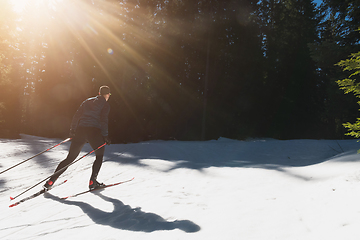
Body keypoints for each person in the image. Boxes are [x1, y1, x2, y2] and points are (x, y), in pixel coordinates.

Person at [44, 86, 111, 190]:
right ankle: (93, 181)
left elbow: (77, 115)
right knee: (99, 156)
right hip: (94, 132)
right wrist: (105, 135)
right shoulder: (105, 105)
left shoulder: (87, 101)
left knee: (70, 158)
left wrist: (73, 130)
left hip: (81, 130)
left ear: (99, 93)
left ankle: (51, 180)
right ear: (107, 95)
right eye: (108, 95)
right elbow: (103, 120)